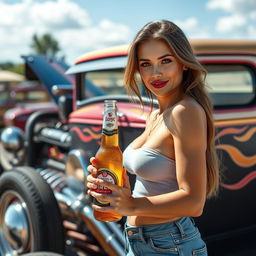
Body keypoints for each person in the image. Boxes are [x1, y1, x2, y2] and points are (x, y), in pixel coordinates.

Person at [87, 20, 219, 255]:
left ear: (183, 63)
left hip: (169, 243)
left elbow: (193, 202)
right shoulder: (156, 115)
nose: (155, 73)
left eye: (165, 61)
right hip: (139, 240)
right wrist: (108, 183)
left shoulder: (184, 111)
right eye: (146, 64)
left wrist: (131, 205)